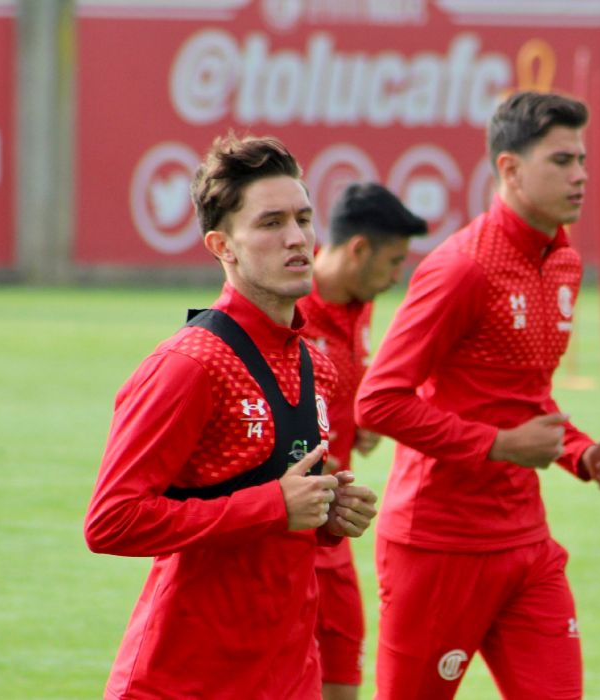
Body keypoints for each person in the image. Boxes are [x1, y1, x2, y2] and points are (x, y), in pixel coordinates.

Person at [355, 91, 600, 699]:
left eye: (582, 160)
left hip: (526, 542)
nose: (580, 175)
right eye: (561, 161)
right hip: (438, 546)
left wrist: (581, 454)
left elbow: (522, 394)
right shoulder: (461, 268)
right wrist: (500, 446)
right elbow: (378, 402)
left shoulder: (563, 262)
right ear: (509, 169)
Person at [84, 133, 379, 699]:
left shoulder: (312, 362)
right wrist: (273, 506)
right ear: (224, 246)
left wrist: (325, 511)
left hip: (287, 676)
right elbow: (111, 521)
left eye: (303, 218)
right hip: (182, 681)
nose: (297, 239)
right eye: (270, 224)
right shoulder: (188, 365)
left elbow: (273, 509)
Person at [296, 182, 428, 700]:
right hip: (283, 531)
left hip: (335, 530)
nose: (399, 276)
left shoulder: (359, 305)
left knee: (343, 679)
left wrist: (359, 419)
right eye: (394, 262)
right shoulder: (288, 308)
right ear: (358, 250)